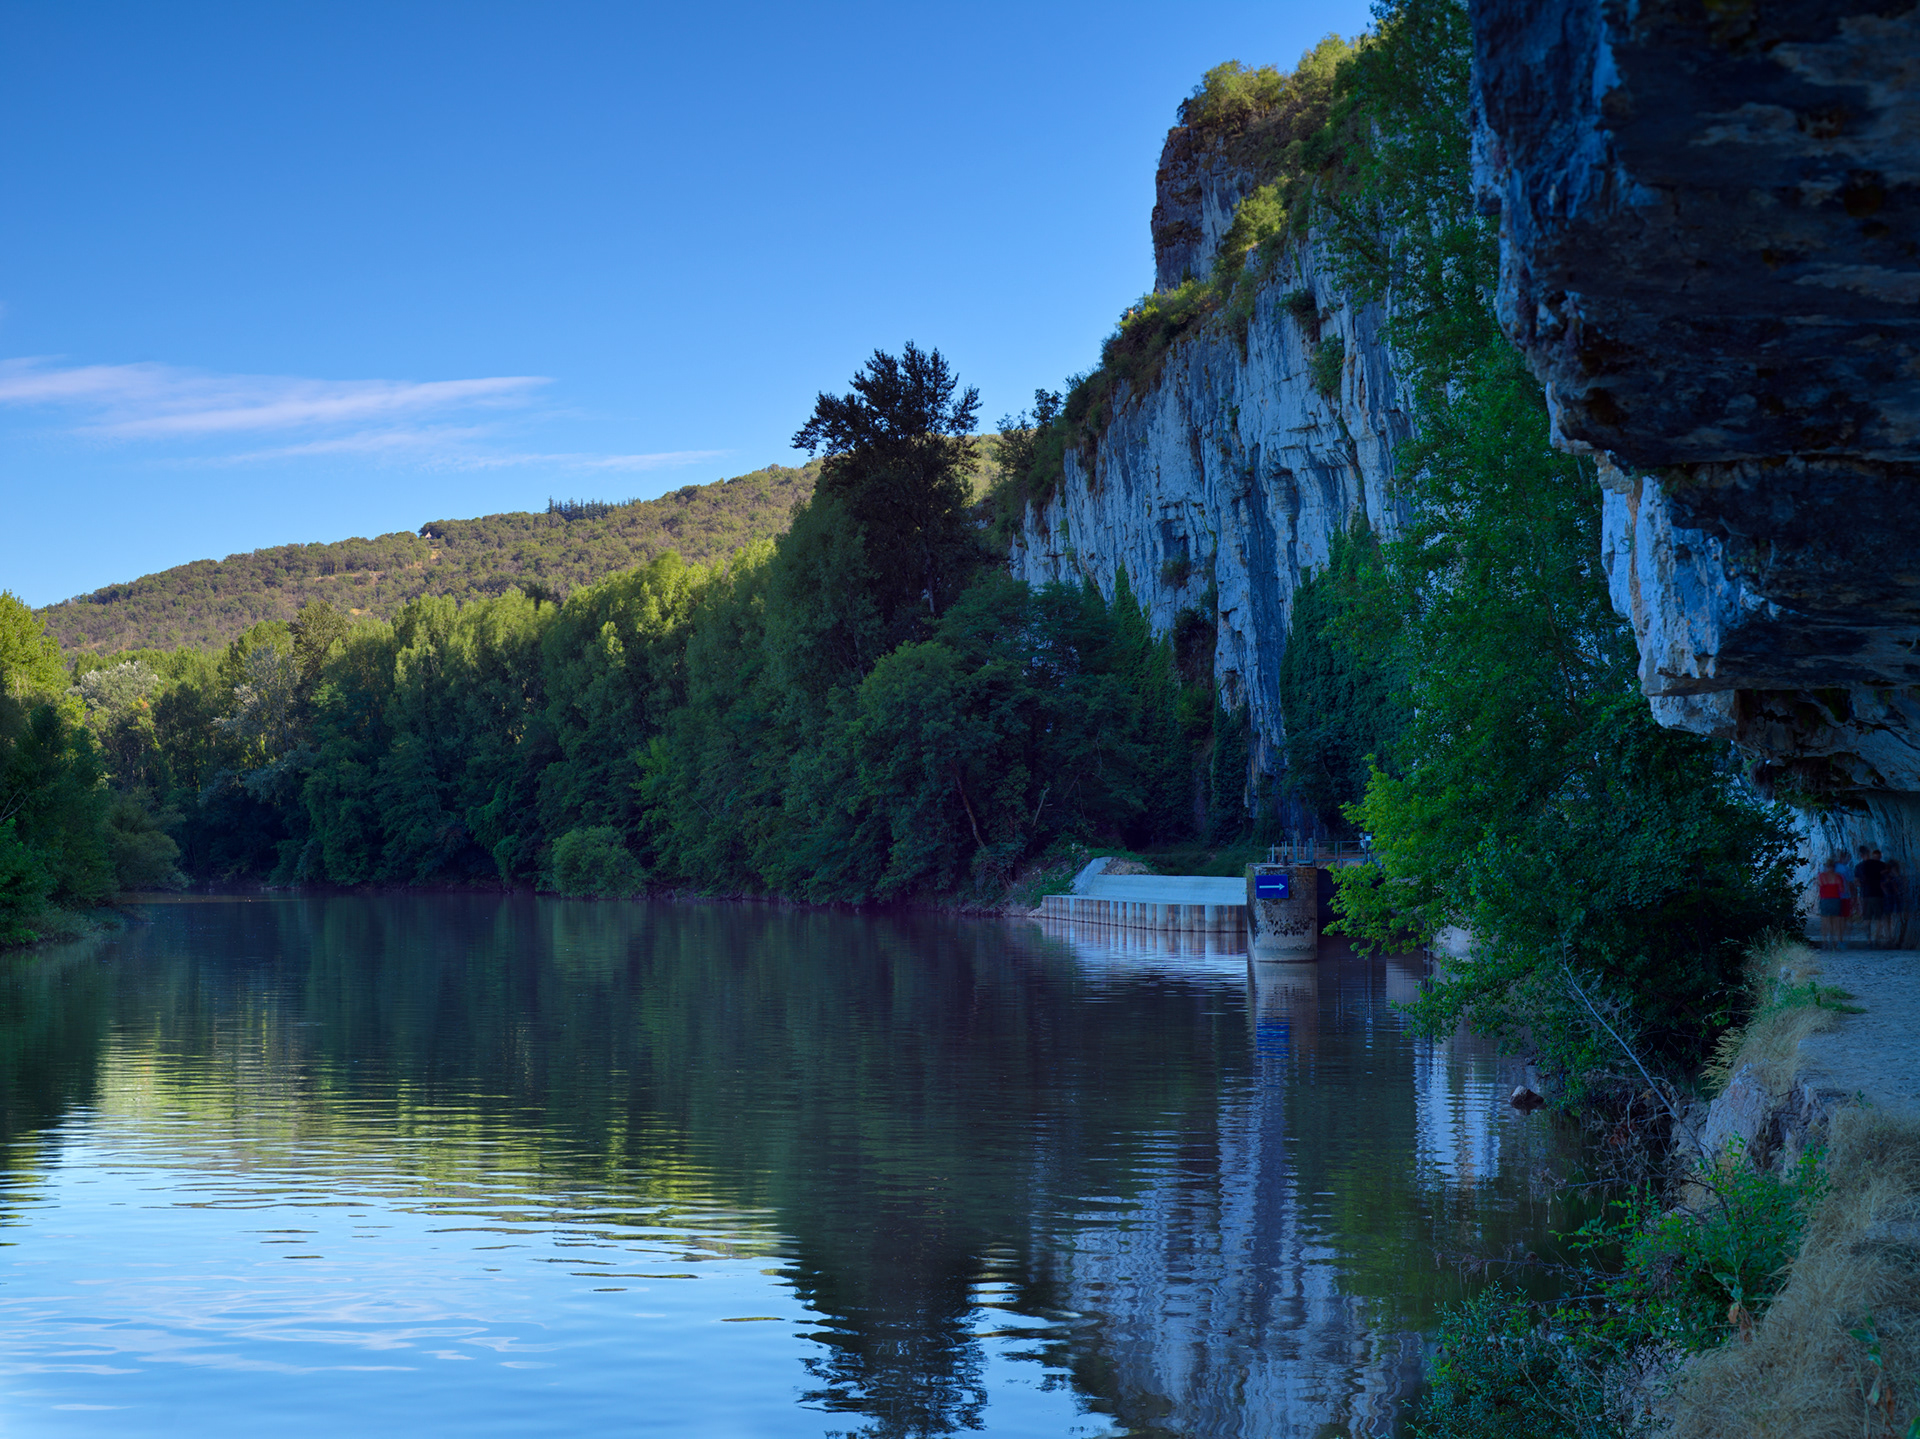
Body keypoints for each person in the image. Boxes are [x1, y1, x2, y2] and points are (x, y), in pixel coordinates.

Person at [1856, 845, 1888, 947]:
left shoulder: (1859, 867)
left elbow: (1856, 882)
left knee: (1867, 918)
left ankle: (1868, 939)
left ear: (1861, 855)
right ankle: (1876, 938)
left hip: (1865, 894)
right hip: (1877, 893)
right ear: (1869, 853)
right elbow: (1887, 870)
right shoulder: (1878, 864)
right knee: (1878, 917)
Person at [1816, 855, 1847, 950]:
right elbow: (1842, 890)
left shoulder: (1821, 876)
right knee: (1836, 922)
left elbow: (1819, 886)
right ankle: (1836, 941)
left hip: (1825, 899)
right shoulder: (1838, 877)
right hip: (1835, 900)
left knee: (1825, 922)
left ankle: (1825, 942)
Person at [1884, 858, 1905, 947]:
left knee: (1893, 917)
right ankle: (1890, 937)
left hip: (1893, 898)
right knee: (1890, 917)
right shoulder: (1888, 877)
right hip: (1891, 898)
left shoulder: (1895, 877)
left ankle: (1892, 937)